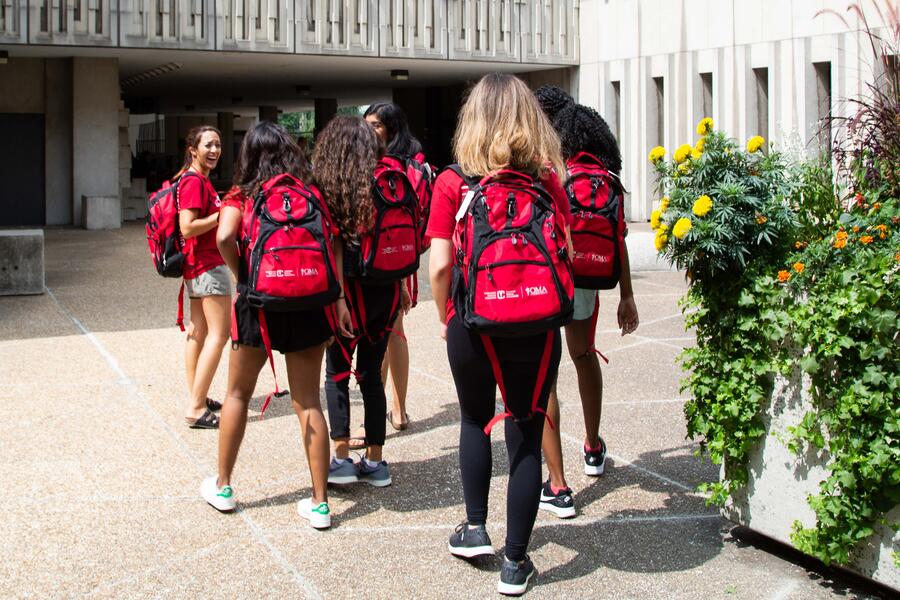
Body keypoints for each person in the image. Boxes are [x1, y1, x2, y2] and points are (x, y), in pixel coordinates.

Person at [428, 73, 573, 596]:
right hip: (536, 324)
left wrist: (447, 314)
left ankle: (474, 528)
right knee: (527, 429)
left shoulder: (453, 182)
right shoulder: (547, 180)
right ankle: (516, 562)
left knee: (474, 419)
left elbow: (440, 267)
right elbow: (566, 257)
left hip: (473, 321)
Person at [201, 121, 352, 529]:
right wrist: (337, 297)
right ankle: (320, 504)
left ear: (249, 155)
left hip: (259, 304)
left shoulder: (243, 194)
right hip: (309, 303)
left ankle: (224, 486)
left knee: (236, 393)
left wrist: (242, 275)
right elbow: (334, 242)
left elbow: (223, 236)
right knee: (308, 402)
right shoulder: (313, 194)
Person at [533, 87, 640, 518]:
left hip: (549, 275)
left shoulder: (550, 171)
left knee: (546, 375)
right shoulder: (604, 180)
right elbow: (618, 241)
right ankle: (592, 447)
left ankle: (558, 485)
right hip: (588, 280)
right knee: (582, 356)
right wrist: (627, 295)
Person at [319, 116, 411, 488]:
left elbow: (337, 246)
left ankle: (340, 458)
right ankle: (376, 461)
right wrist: (403, 284)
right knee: (372, 376)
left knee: (338, 374)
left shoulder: (342, 185)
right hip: (386, 290)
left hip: (351, 293)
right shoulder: (391, 179)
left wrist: (338, 297)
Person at [361, 102, 427, 435]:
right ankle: (392, 408)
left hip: (386, 258)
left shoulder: (390, 166)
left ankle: (389, 409)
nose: (369, 130)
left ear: (391, 129)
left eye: (376, 125)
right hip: (403, 254)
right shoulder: (416, 165)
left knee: (388, 332)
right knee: (391, 331)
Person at [178, 125, 231, 430]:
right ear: (193, 150)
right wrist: (220, 216)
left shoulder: (195, 180)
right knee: (219, 335)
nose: (214, 151)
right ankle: (196, 406)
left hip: (197, 267)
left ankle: (197, 395)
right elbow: (187, 226)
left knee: (198, 332)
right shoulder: (194, 182)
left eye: (218, 145)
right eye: (208, 145)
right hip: (208, 266)